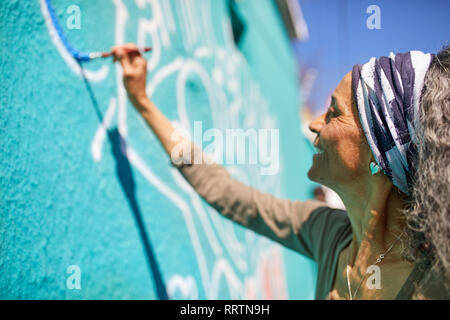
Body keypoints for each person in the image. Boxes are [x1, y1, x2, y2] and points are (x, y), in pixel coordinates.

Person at [111, 44, 449, 299]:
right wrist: (142, 101)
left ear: (382, 153)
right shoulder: (327, 233)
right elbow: (225, 192)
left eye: (334, 113)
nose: (315, 124)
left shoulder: (436, 284)